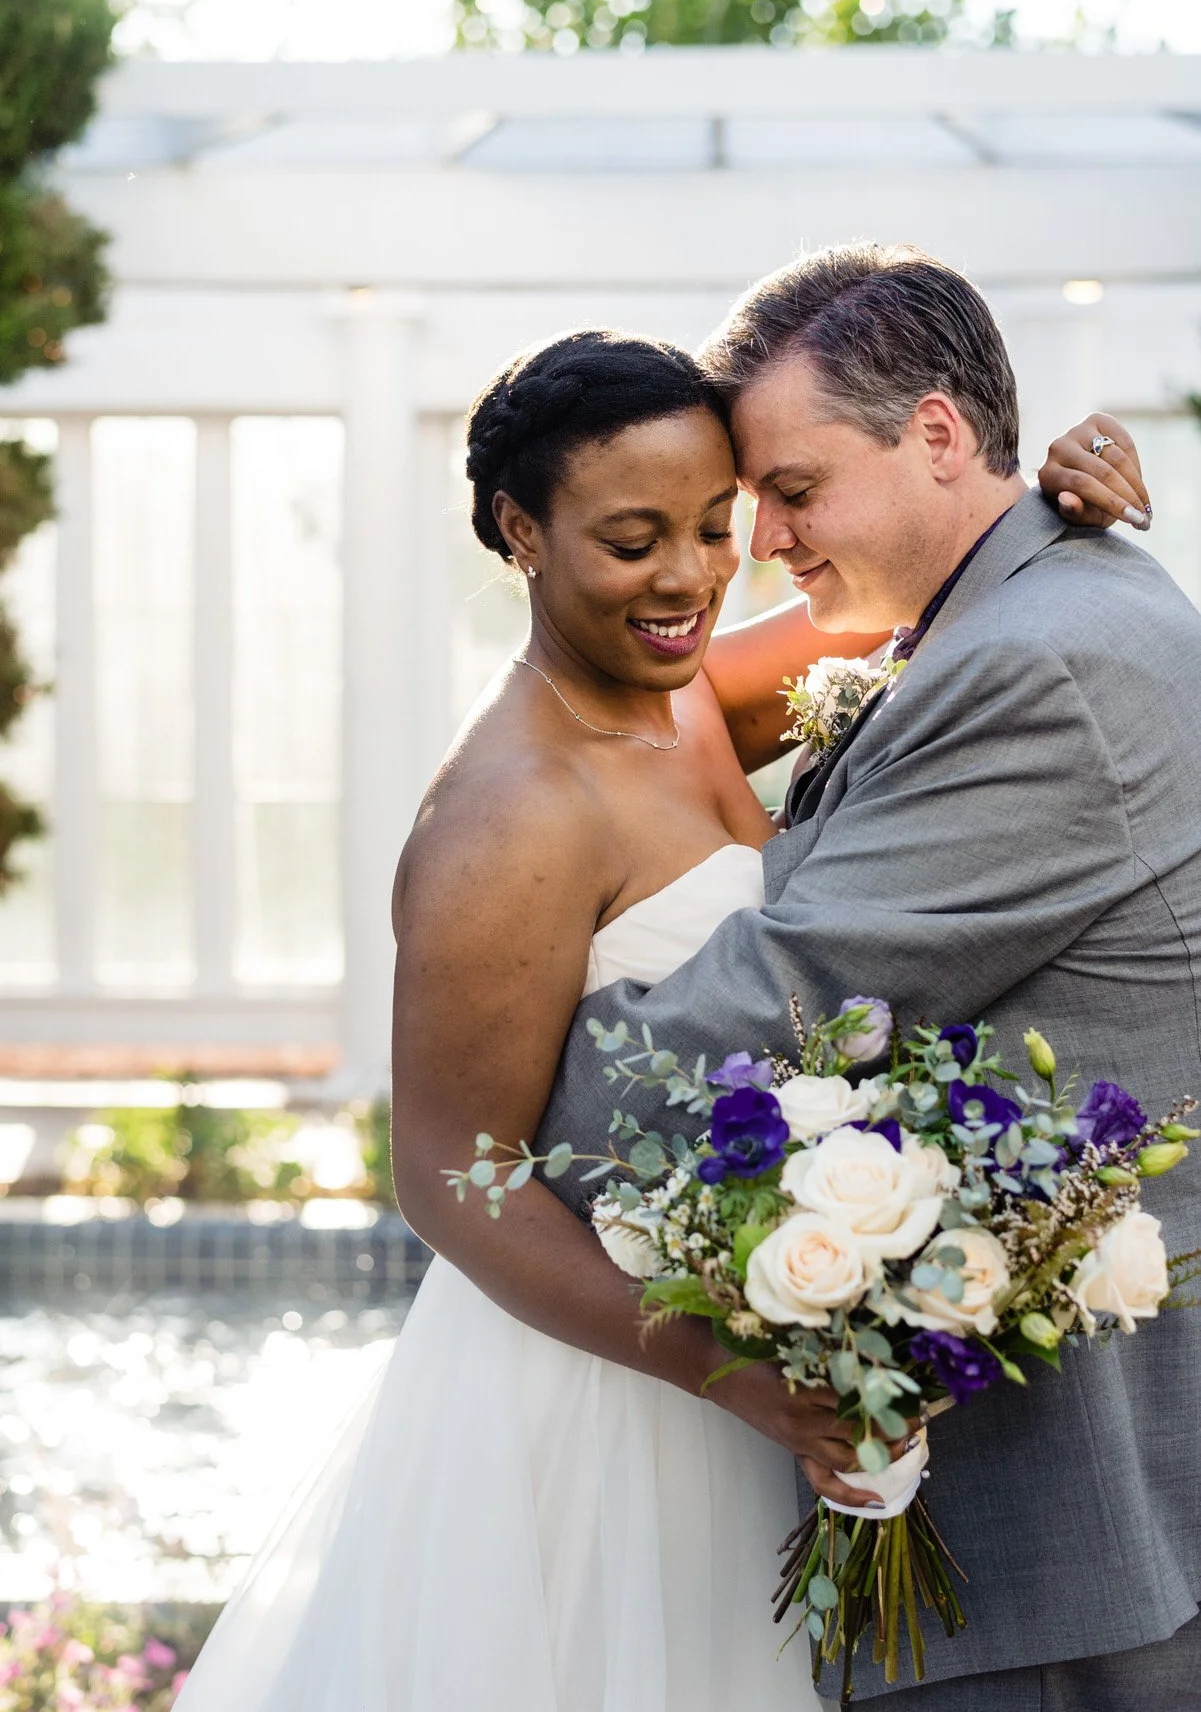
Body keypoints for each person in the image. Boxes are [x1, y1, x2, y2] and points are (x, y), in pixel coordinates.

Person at [173, 321, 1144, 1712]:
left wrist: (1052, 490)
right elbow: (452, 1175)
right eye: (635, 540)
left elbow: (916, 589)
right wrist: (728, 1374)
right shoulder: (507, 816)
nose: (689, 578)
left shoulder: (682, 693)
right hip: (597, 1393)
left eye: (713, 524)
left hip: (749, 1344)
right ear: (522, 529)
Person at [538, 249, 1201, 1711]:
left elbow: (802, 987)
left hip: (1055, 1540)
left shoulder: (1045, 663)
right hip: (970, 1479)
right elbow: (621, 686)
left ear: (941, 435)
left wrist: (512, 1105)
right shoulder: (992, 610)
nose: (759, 545)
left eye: (791, 491)